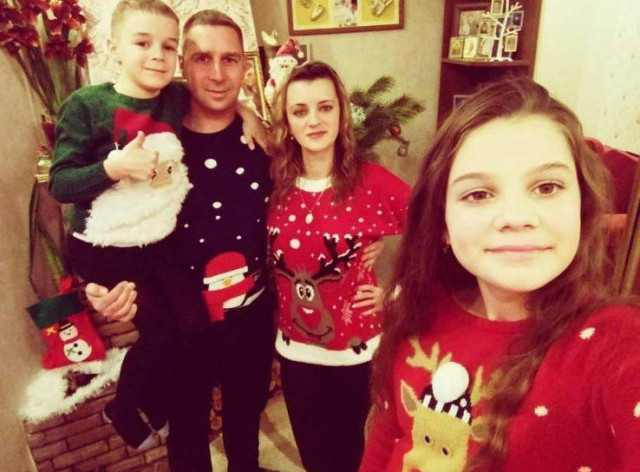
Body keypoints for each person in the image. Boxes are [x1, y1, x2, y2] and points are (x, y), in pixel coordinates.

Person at [359, 76, 640, 472]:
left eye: (546, 187)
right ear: (442, 222)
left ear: (582, 204)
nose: (516, 217)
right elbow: (387, 438)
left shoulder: (615, 344)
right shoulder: (417, 310)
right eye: (478, 194)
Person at [75, 7, 271, 472]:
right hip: (183, 320)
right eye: (202, 58)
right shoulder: (149, 142)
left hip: (252, 314)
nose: (218, 74)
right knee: (186, 433)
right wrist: (100, 287)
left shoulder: (263, 140)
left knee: (246, 419)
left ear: (245, 65)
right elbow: (101, 223)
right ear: (183, 65)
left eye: (230, 59)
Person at [49, 0, 211, 451]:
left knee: (193, 326)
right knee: (159, 332)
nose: (158, 55)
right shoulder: (86, 105)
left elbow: (222, 101)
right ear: (113, 47)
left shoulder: (175, 97)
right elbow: (60, 183)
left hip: (158, 239)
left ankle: (161, 406)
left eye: (169, 46)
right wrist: (113, 167)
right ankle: (123, 407)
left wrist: (253, 115)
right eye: (143, 43)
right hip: (104, 246)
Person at [267, 61, 412, 472]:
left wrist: (394, 291)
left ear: (341, 113)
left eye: (325, 107)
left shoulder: (372, 182)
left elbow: (436, 228)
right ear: (287, 122)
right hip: (295, 351)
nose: (313, 121)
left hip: (355, 353)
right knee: (314, 457)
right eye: (300, 111)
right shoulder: (273, 183)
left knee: (350, 456)